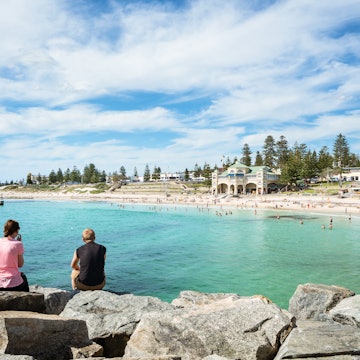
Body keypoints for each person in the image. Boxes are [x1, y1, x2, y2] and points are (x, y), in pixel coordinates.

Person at [0, 219, 29, 291]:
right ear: (16, 231)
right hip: (12, 283)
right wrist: (18, 245)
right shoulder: (18, 244)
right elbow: (20, 264)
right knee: (23, 277)